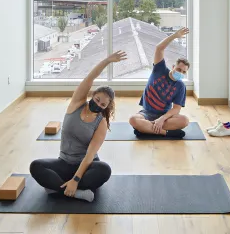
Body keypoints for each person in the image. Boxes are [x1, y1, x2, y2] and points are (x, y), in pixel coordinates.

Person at [29, 50, 127, 203]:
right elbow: (90, 77)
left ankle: (59, 187)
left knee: (104, 170)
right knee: (35, 166)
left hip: (87, 166)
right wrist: (107, 60)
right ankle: (77, 193)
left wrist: (76, 179)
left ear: (106, 107)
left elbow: (90, 154)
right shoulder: (77, 104)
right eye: (97, 99)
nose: (98, 104)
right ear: (92, 95)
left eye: (103, 104)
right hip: (64, 162)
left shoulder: (101, 122)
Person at [129, 27, 191, 138]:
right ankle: (165, 132)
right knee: (133, 120)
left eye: (183, 72)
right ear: (173, 67)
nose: (180, 73)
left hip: (164, 116)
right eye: (178, 69)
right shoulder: (160, 69)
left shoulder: (180, 86)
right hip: (147, 113)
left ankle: (145, 129)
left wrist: (161, 119)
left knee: (185, 121)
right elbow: (159, 48)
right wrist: (175, 36)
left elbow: (176, 109)